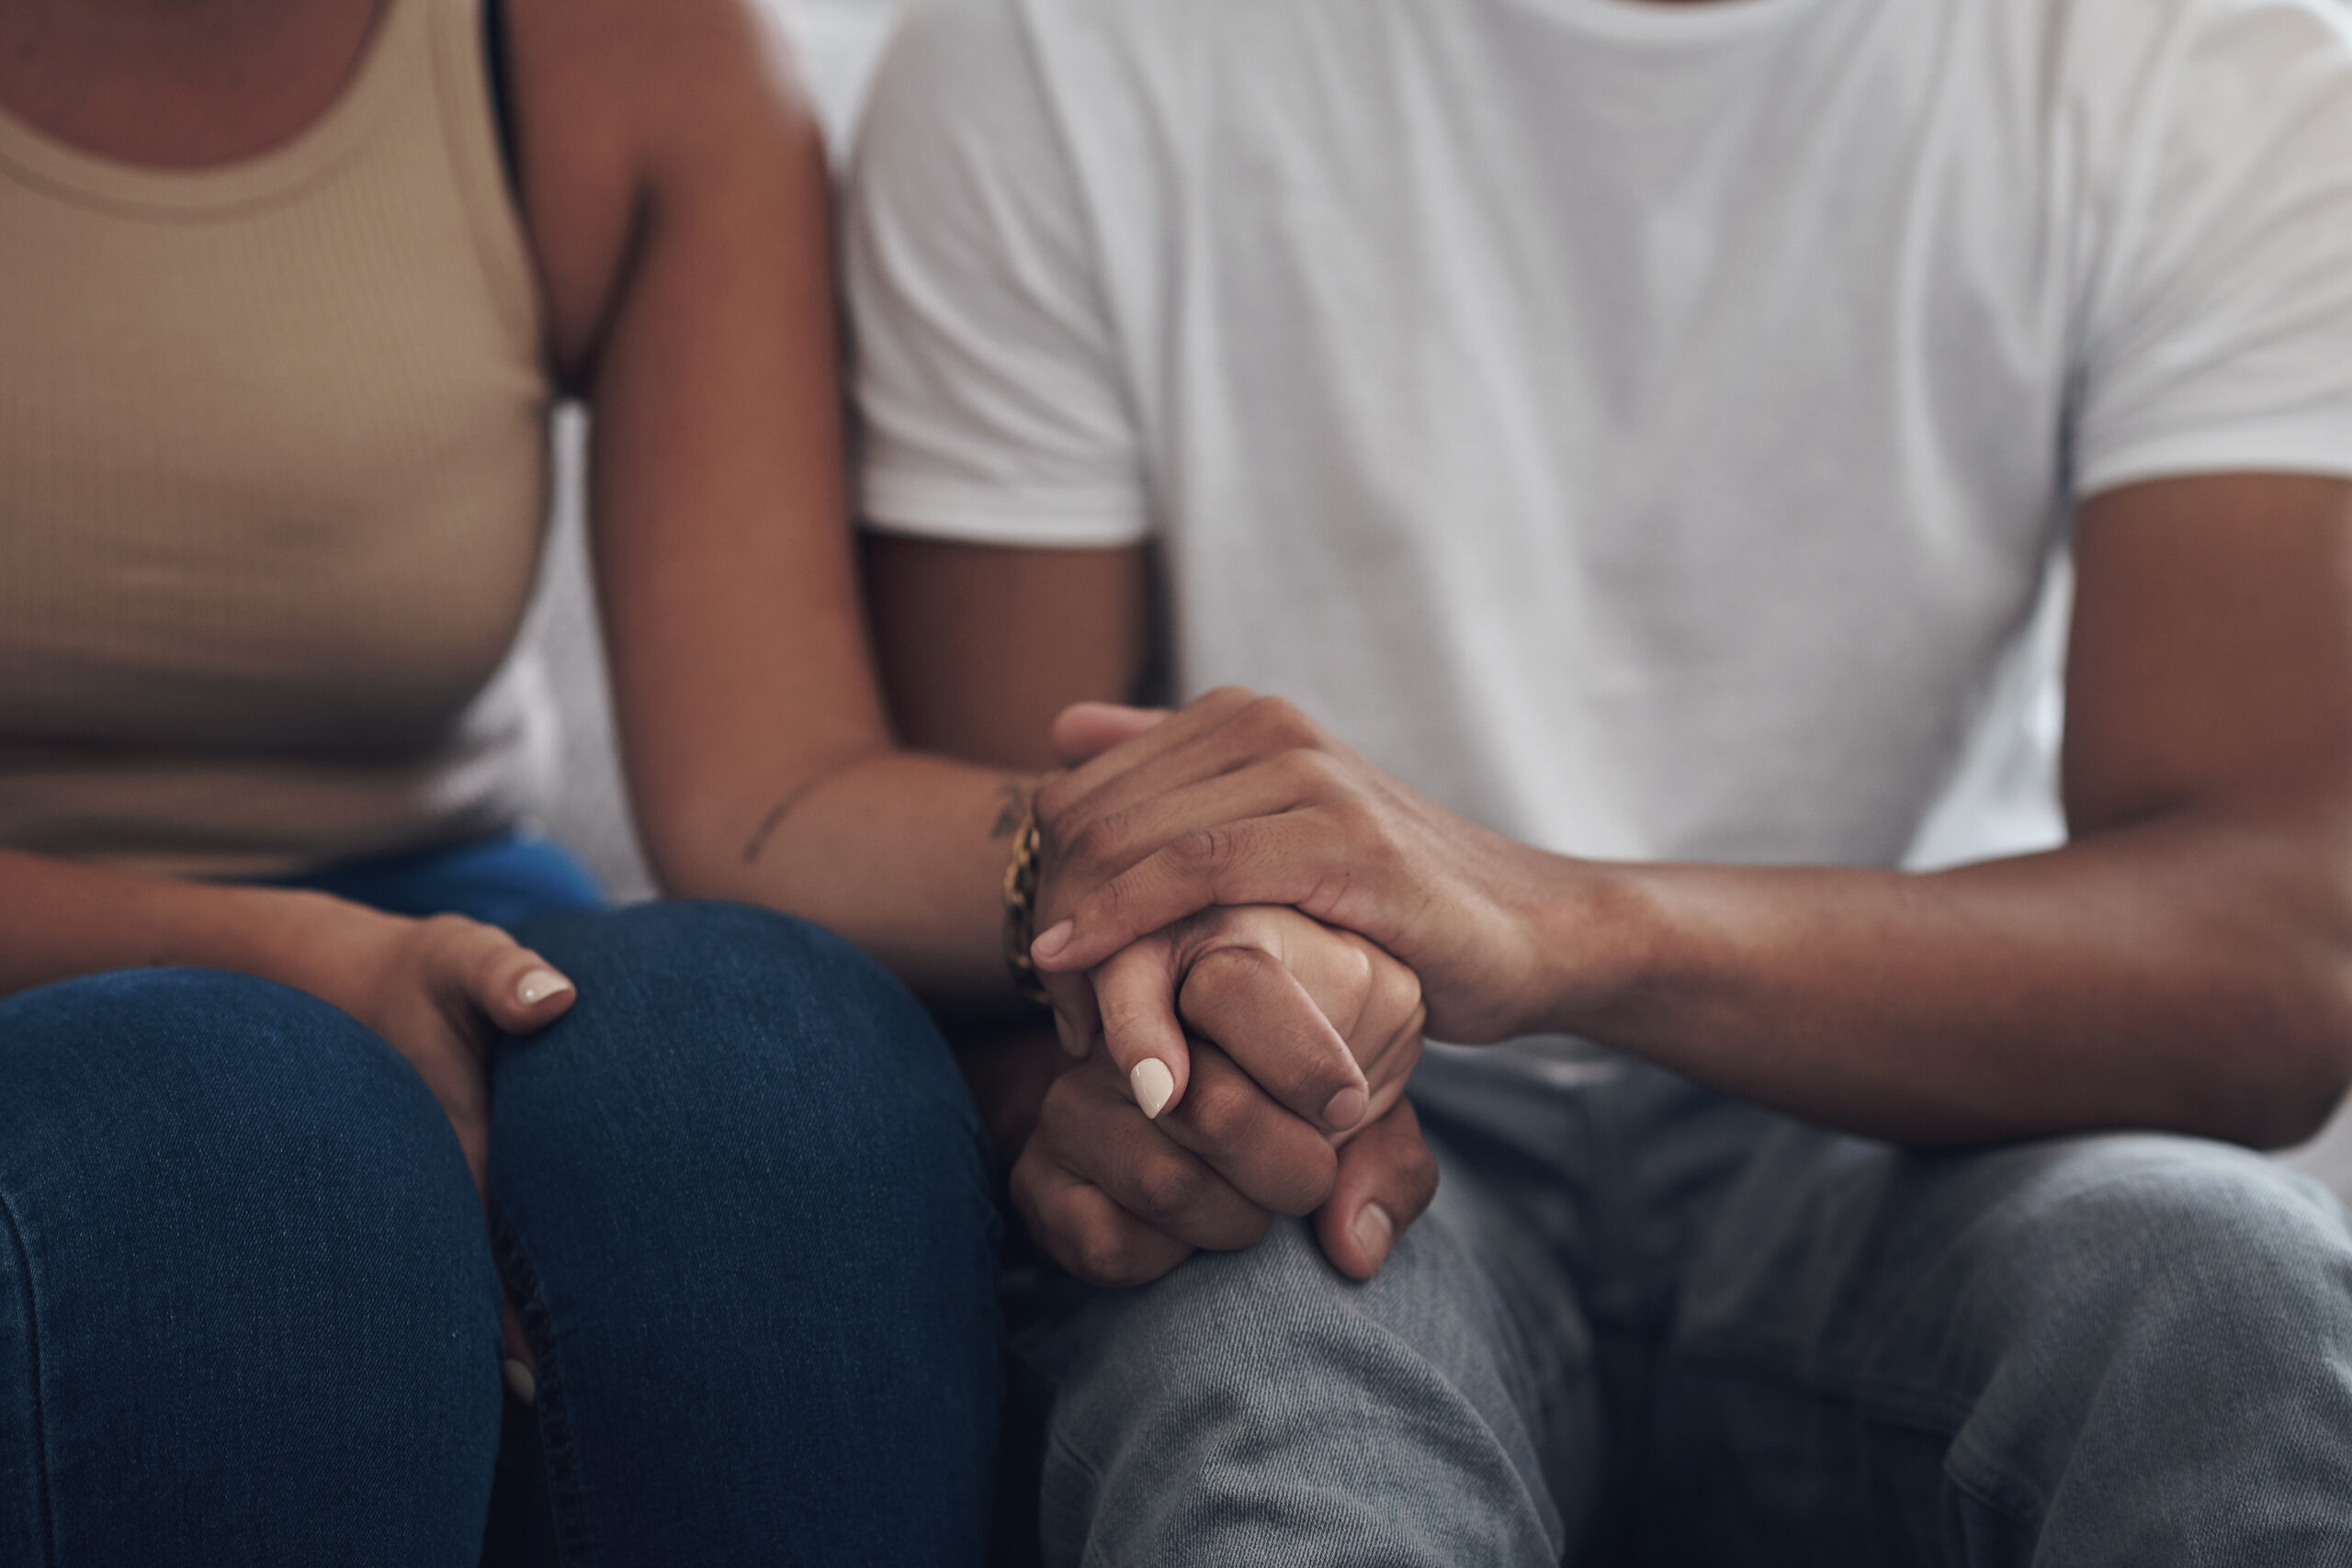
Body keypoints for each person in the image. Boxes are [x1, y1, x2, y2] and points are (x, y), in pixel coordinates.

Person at [848, 0, 2352, 1559]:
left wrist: (1565, 929)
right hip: (1348, 1123)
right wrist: (1163, 1108)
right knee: (1258, 1380)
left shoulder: (2190, 60)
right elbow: (1023, 931)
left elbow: (2273, 963)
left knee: (2230, 1296)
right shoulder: (1056, 45)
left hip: (1914, 1102)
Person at [0, 0, 1419, 1559]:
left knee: (761, 1058)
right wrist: (288, 964)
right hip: (86, 958)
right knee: (234, 1145)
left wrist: (1180, 884)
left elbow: (771, 800)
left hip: (432, 912)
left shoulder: (614, 51)